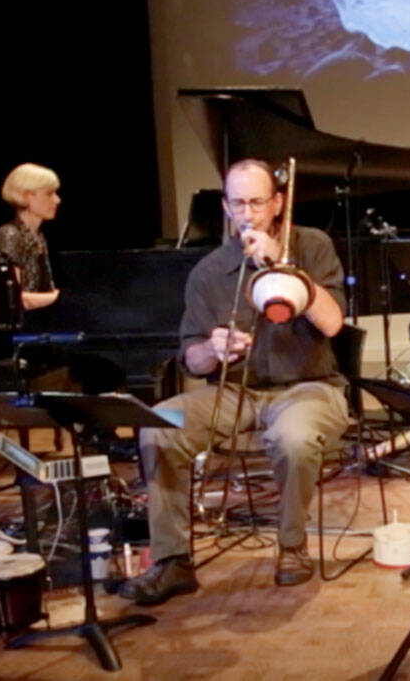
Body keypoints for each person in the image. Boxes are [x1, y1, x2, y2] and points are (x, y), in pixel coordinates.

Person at [120, 159, 350, 604]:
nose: (248, 213)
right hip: (234, 390)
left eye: (257, 202)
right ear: (225, 207)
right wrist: (212, 350)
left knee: (294, 437)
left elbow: (333, 323)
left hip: (308, 387)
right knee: (158, 425)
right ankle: (172, 561)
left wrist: (278, 265)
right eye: (238, 203)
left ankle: (292, 548)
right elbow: (191, 357)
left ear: (278, 202)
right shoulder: (208, 272)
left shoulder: (313, 245)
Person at [0, 163, 62, 311]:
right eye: (49, 194)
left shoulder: (38, 237)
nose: (57, 200)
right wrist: (63, 297)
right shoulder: (9, 235)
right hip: (13, 331)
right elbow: (14, 298)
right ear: (26, 196)